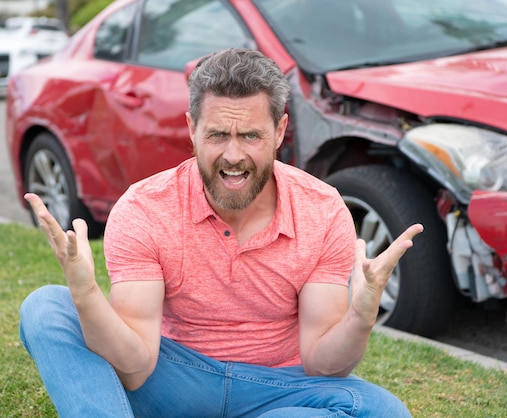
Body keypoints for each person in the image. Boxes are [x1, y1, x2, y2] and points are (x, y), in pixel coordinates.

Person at [19, 48, 423, 417]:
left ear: (279, 131)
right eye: (217, 135)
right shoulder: (144, 208)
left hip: (276, 392)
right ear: (193, 129)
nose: (233, 156)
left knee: (383, 411)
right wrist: (86, 295)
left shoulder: (322, 209)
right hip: (170, 378)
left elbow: (322, 364)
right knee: (47, 308)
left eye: (250, 135)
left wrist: (362, 314)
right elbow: (137, 367)